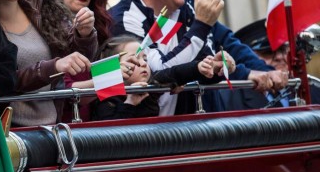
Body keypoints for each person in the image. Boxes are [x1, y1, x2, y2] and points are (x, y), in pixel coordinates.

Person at [108, 0, 224, 115]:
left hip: (183, 129)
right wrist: (201, 25)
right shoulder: (122, 19)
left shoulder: (184, 8)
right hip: (139, 133)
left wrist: (217, 66)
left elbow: (200, 62)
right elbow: (159, 72)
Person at [178, 0, 286, 93]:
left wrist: (265, 70)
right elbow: (188, 62)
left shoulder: (190, 4)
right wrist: (245, 73)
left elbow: (230, 44)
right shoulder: (148, 13)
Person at [91, 35, 233, 120]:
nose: (142, 64)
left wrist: (201, 67)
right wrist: (130, 102)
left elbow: (173, 73)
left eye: (145, 58)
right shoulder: (105, 98)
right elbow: (113, 137)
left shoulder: (151, 85)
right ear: (113, 67)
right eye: (133, 60)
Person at [216, 19, 315, 110]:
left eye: (283, 50)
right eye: (268, 52)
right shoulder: (231, 98)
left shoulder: (310, 88)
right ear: (247, 58)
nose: (279, 57)